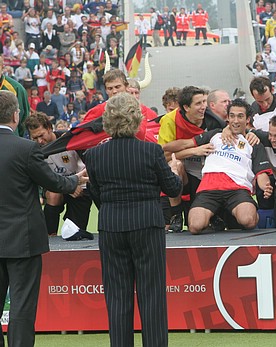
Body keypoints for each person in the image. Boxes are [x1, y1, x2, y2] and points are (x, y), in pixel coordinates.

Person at [84, 93, 182, 347]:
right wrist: (174, 172)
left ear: (108, 121)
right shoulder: (151, 151)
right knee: (152, 294)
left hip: (111, 226)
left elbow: (96, 194)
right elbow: (172, 189)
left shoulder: (94, 155)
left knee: (117, 296)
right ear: (137, 119)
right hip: (147, 225)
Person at [0, 90, 85, 347]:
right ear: (16, 115)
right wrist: (74, 181)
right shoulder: (26, 149)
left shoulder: (25, 148)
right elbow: (51, 181)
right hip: (22, 240)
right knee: (22, 306)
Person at [186, 99, 273, 234]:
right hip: (210, 188)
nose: (235, 120)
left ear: (247, 119)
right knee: (195, 226)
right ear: (227, 118)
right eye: (232, 116)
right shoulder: (215, 135)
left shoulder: (253, 141)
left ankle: (234, 213)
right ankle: (215, 217)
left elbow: (261, 173)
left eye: (240, 116)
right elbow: (177, 147)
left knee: (248, 220)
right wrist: (194, 151)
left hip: (237, 189)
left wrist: (265, 187)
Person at [158, 86, 226, 232]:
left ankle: (214, 212)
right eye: (198, 104)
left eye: (204, 102)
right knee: (175, 165)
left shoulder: (214, 120)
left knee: (197, 226)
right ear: (186, 107)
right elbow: (163, 156)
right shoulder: (169, 120)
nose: (203, 107)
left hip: (204, 174)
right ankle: (176, 214)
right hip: (181, 176)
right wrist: (194, 150)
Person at [25, 112, 92, 236]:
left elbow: (91, 164)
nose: (39, 141)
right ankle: (49, 236)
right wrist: (68, 187)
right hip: (57, 187)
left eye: (41, 135)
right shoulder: (34, 150)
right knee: (53, 195)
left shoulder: (69, 140)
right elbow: (41, 177)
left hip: (80, 188)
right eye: (34, 138)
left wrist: (76, 183)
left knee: (74, 232)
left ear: (50, 128)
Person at [0, 55, 30, 137]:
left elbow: (24, 117)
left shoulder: (16, 88)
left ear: (2, 68)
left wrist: (17, 136)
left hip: (11, 139)